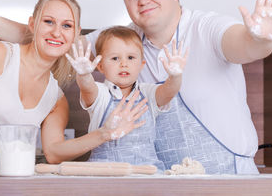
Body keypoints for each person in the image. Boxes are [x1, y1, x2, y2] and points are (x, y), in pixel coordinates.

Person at [0, 0, 272, 174]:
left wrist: (262, 36)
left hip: (226, 175)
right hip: (166, 176)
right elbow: (53, 37)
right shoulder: (122, 41)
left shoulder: (208, 28)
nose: (143, 0)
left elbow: (245, 45)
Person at [0, 0, 147, 174]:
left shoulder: (55, 99)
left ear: (76, 34)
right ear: (32, 24)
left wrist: (105, 133)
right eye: (48, 22)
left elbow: (54, 152)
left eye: (67, 26)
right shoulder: (0, 54)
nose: (57, 32)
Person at [65, 26, 188, 170]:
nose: (124, 63)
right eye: (115, 58)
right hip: (104, 174)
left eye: (131, 57)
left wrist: (175, 76)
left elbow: (168, 92)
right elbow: (87, 88)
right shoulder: (101, 93)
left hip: (146, 173)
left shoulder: (147, 93)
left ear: (141, 64)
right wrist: (84, 75)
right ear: (101, 66)